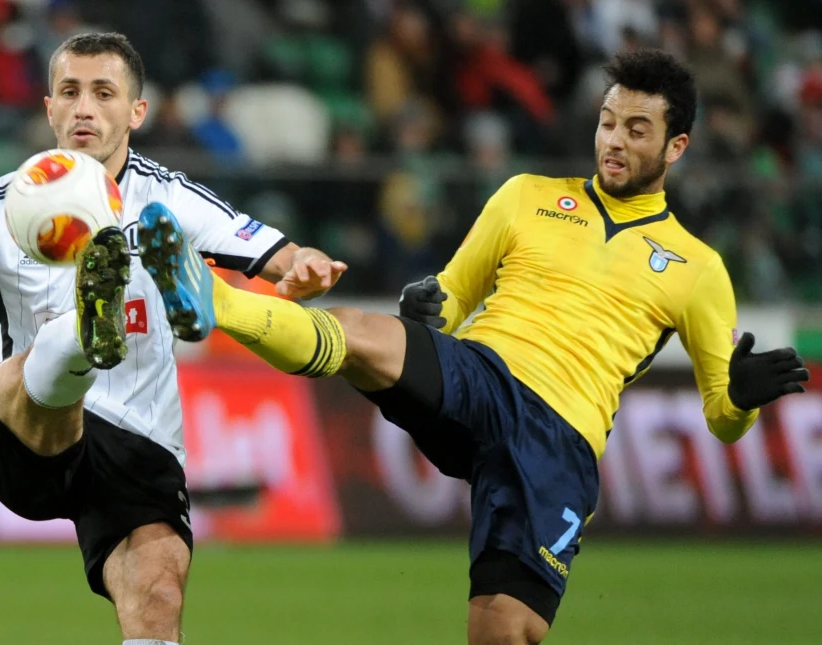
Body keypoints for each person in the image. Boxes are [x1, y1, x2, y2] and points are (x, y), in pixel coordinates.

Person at [136, 48, 810, 644]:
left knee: (501, 627)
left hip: (558, 441)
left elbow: (723, 416)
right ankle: (210, 296)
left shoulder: (699, 269)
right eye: (608, 121)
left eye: (637, 130)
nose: (614, 140)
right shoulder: (526, 197)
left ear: (676, 146)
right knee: (362, 333)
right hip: (482, 373)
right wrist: (424, 306)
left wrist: (743, 399)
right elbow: (451, 295)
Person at [0, 32, 344, 645]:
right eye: (70, 92)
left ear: (136, 112)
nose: (84, 108)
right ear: (48, 108)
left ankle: (85, 324)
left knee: (157, 598)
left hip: (141, 442)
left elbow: (287, 256)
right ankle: (81, 331)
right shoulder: (0, 207)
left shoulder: (168, 199)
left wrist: (308, 268)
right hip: (24, 437)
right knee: (32, 368)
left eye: (104, 93)